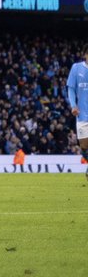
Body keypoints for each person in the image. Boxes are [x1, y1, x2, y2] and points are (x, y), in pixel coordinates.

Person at [66, 45, 88, 182]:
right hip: (82, 114)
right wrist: (73, 105)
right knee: (84, 147)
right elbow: (71, 89)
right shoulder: (76, 68)